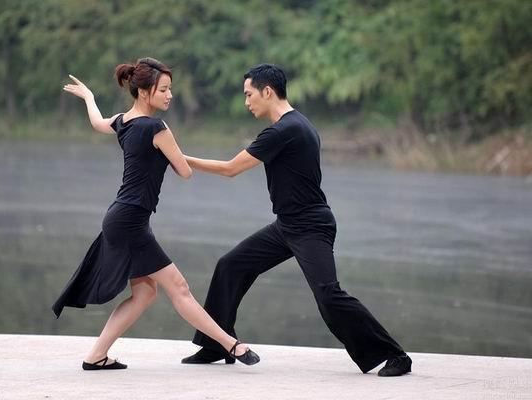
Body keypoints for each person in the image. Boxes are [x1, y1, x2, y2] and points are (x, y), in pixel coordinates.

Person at [181, 63, 412, 377]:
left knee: (329, 295)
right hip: (287, 224)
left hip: (310, 225)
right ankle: (216, 345)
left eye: (249, 94)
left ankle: (396, 356)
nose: (246, 102)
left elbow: (230, 169)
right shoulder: (297, 123)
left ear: (267, 91)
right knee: (231, 265)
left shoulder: (284, 130)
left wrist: (177, 157)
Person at [51, 57, 259, 370]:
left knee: (146, 293)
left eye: (170, 89)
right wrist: (170, 152)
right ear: (144, 92)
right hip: (130, 221)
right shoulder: (156, 127)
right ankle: (232, 344)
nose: (169, 95)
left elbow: (97, 123)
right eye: (163, 90)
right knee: (179, 287)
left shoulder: (123, 121)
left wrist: (89, 97)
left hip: (124, 218)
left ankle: (96, 356)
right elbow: (185, 172)